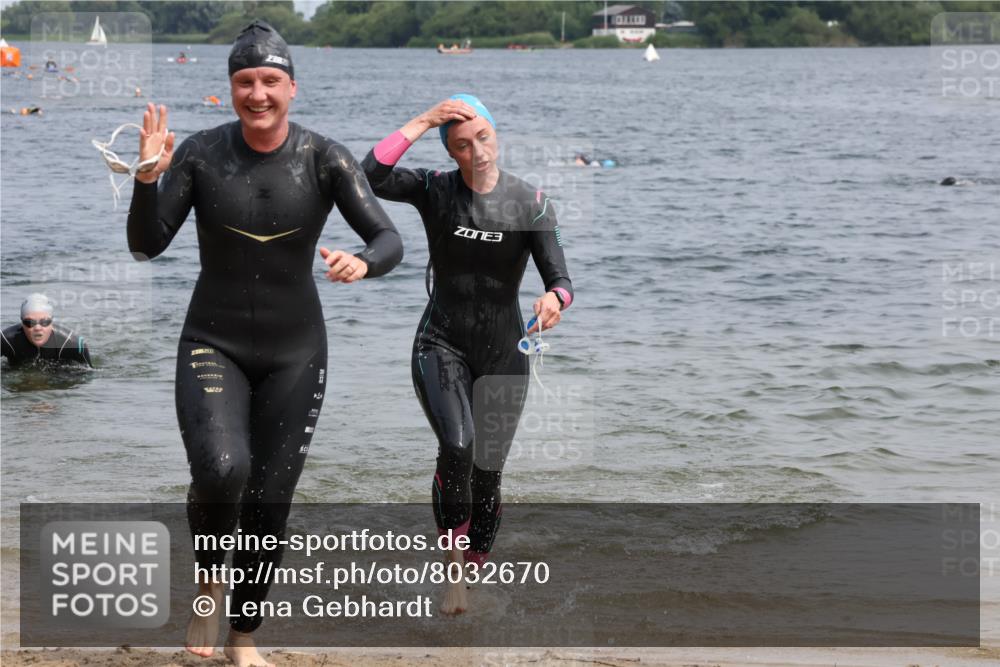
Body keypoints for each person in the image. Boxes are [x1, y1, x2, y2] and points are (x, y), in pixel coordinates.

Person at [125, 20, 402, 666]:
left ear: (292, 88)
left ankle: (243, 637)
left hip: (296, 352)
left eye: (270, 80)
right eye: (245, 81)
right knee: (223, 469)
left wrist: (363, 262)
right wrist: (144, 177)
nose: (257, 93)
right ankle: (208, 582)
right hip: (211, 340)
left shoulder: (325, 158)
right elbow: (146, 245)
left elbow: (389, 239)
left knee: (269, 499)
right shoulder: (198, 154)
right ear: (229, 89)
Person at [362, 94, 573, 615]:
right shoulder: (435, 190)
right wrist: (424, 120)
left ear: (495, 133)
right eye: (461, 144)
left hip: (505, 351)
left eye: (483, 137)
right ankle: (452, 568)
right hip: (442, 341)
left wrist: (554, 300)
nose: (476, 151)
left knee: (488, 470)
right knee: (457, 445)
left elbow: (561, 279)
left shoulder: (532, 202)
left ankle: (475, 565)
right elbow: (372, 174)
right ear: (450, 150)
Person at [1, 294, 93, 368]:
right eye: (29, 322)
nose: (37, 328)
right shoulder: (6, 340)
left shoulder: (72, 343)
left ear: (52, 321)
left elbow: (89, 375)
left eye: (44, 322)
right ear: (22, 321)